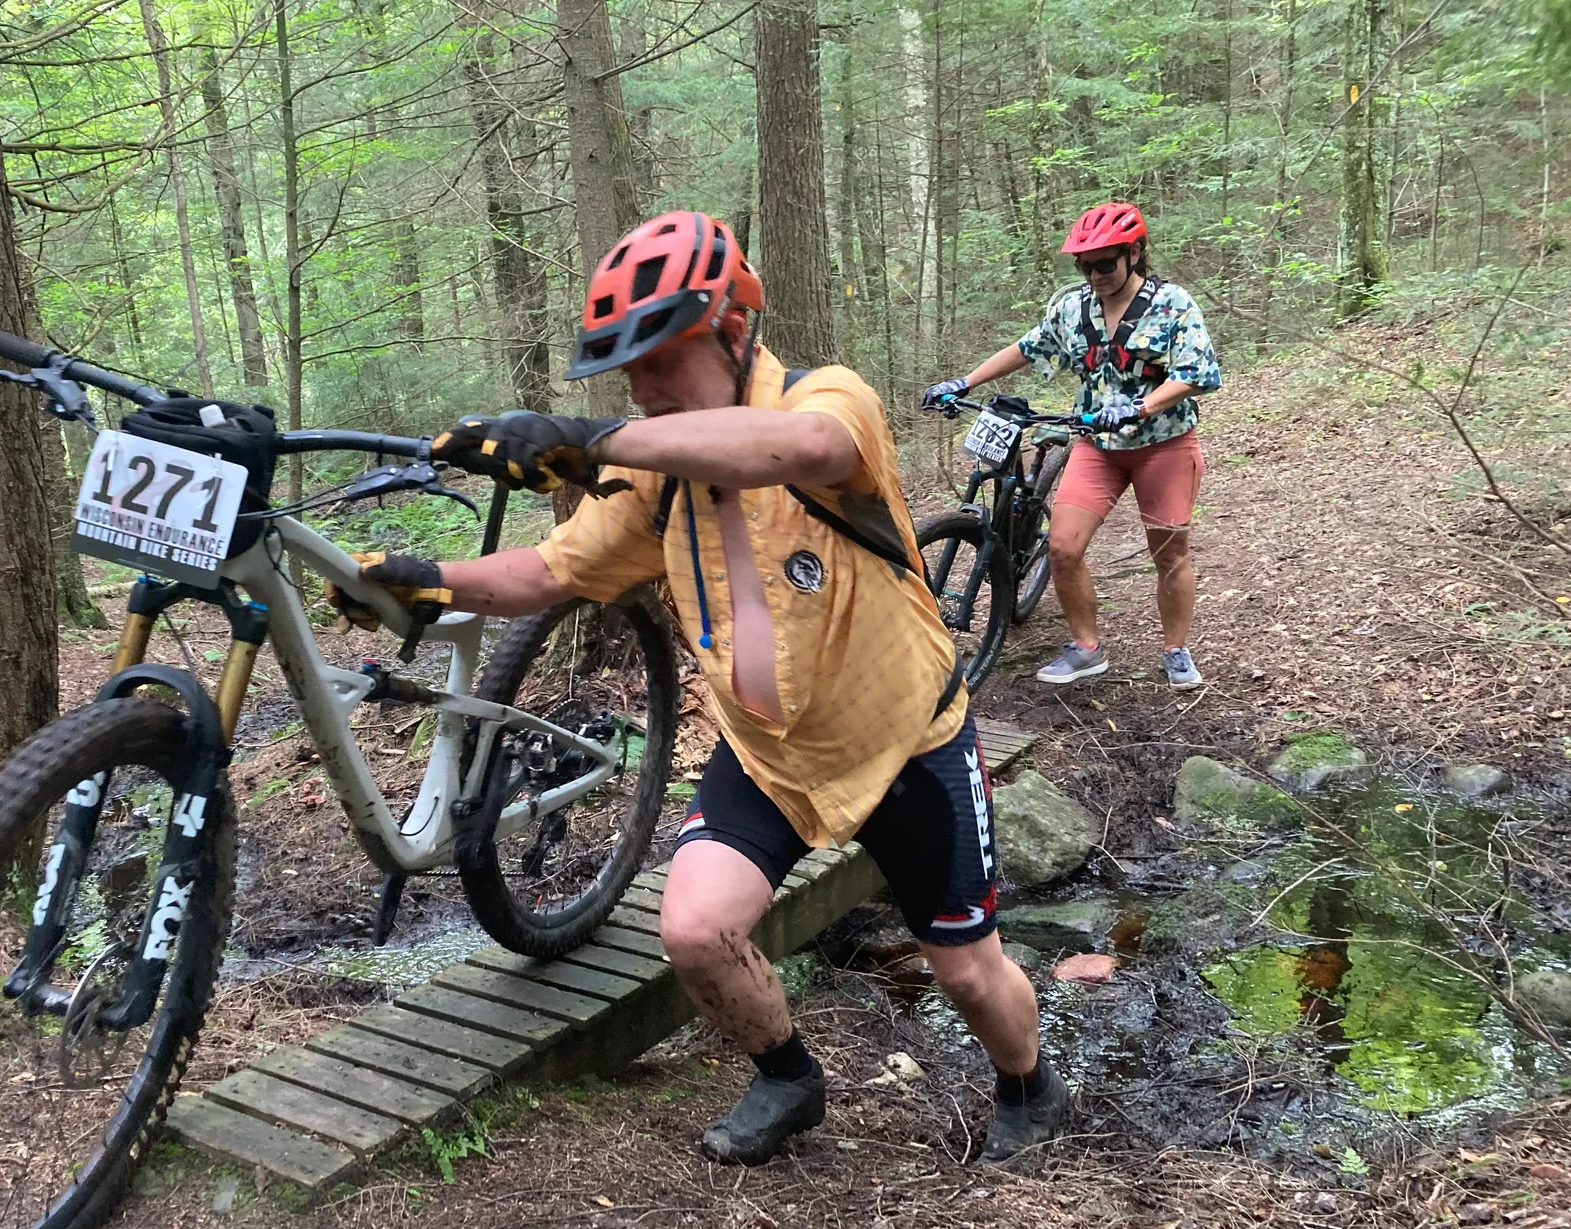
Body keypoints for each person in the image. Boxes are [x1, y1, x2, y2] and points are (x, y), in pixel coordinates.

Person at [334, 210, 1066, 1166]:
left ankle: (1029, 1084)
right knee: (692, 931)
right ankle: (788, 1075)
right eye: (625, 377)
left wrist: (595, 439)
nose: (639, 393)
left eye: (658, 362)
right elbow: (554, 574)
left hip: (904, 743)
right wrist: (425, 582)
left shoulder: (828, 398)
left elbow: (806, 450)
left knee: (968, 975)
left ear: (731, 328)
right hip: (771, 753)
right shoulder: (654, 479)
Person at [923, 202, 1222, 690]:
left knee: (1169, 553)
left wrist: (1140, 407)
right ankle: (1087, 647)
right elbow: (1026, 348)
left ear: (1135, 252)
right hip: (1097, 446)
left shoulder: (1173, 305)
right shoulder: (1073, 308)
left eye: (1105, 263)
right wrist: (964, 381)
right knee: (1062, 547)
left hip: (1162, 445)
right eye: (1085, 266)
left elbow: (1198, 375)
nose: (1095, 274)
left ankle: (1176, 649)